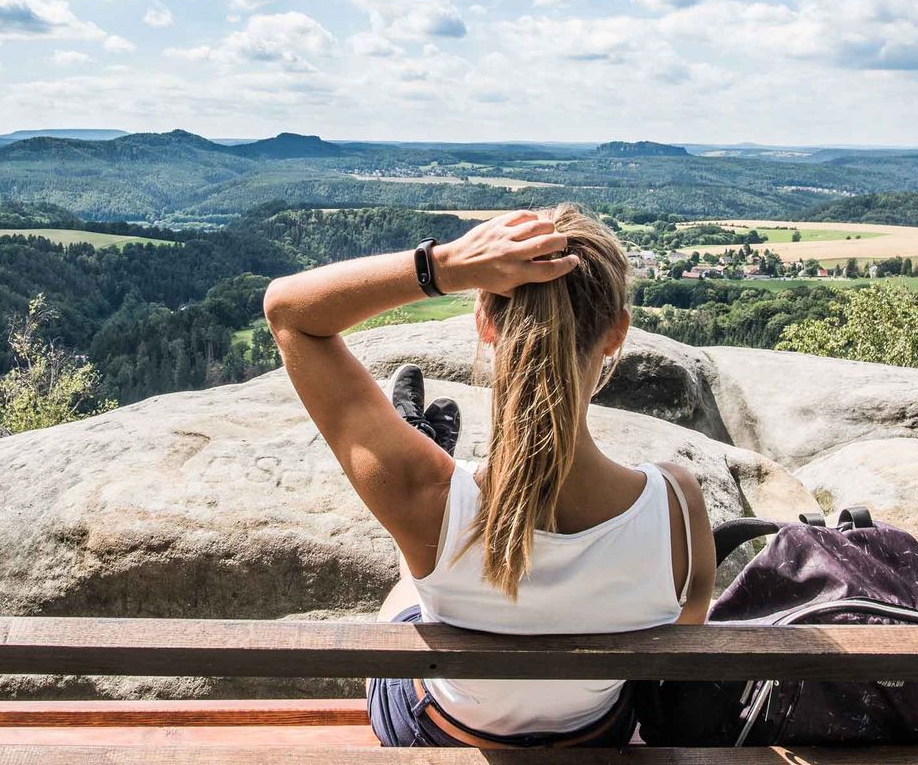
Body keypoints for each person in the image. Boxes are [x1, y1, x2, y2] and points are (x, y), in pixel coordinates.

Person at [262, 205, 714, 748]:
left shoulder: (428, 499)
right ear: (617, 333)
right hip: (593, 737)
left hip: (440, 733)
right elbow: (673, 648)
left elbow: (288, 311)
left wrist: (447, 264)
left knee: (413, 576)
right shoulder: (679, 507)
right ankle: (426, 460)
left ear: (484, 322)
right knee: (432, 541)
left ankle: (424, 448)